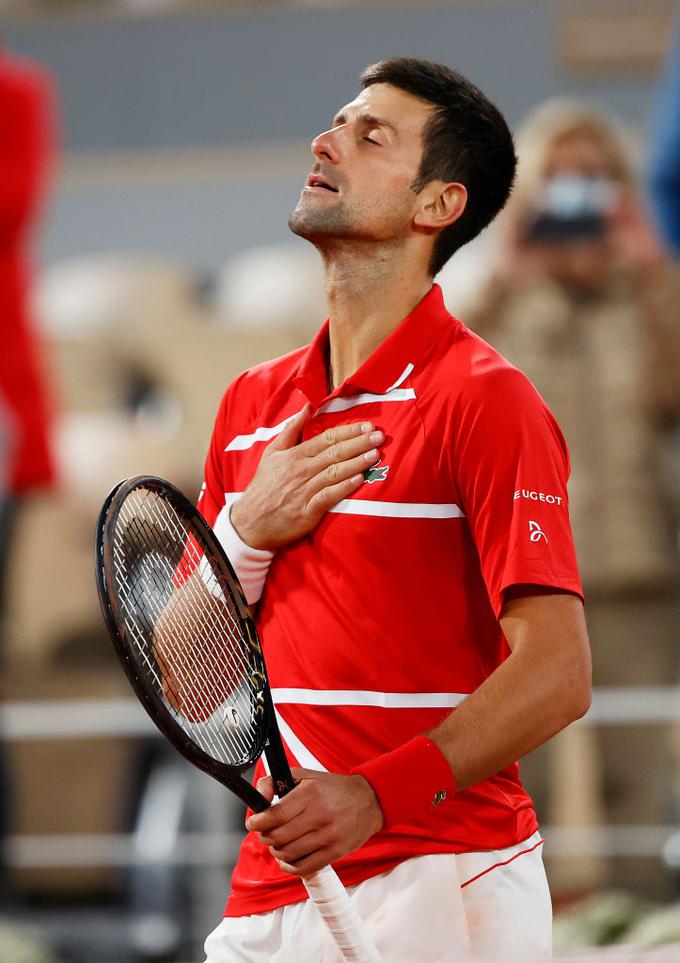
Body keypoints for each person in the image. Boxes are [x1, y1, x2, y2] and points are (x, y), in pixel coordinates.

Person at [199, 59, 591, 961]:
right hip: (272, 889)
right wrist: (244, 532)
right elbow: (190, 679)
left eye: (372, 134)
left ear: (437, 206)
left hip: (447, 879)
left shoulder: (488, 400)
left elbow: (559, 672)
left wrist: (376, 794)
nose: (325, 140)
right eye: (336, 121)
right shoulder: (247, 409)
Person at [464, 99, 680, 898]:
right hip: (522, 575)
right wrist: (504, 282)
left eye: (595, 181)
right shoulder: (494, 301)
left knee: (634, 774)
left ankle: (645, 926)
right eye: (560, 181)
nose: (577, 199)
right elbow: (441, 407)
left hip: (635, 569)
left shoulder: (656, 294)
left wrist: (650, 271)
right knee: (525, 779)